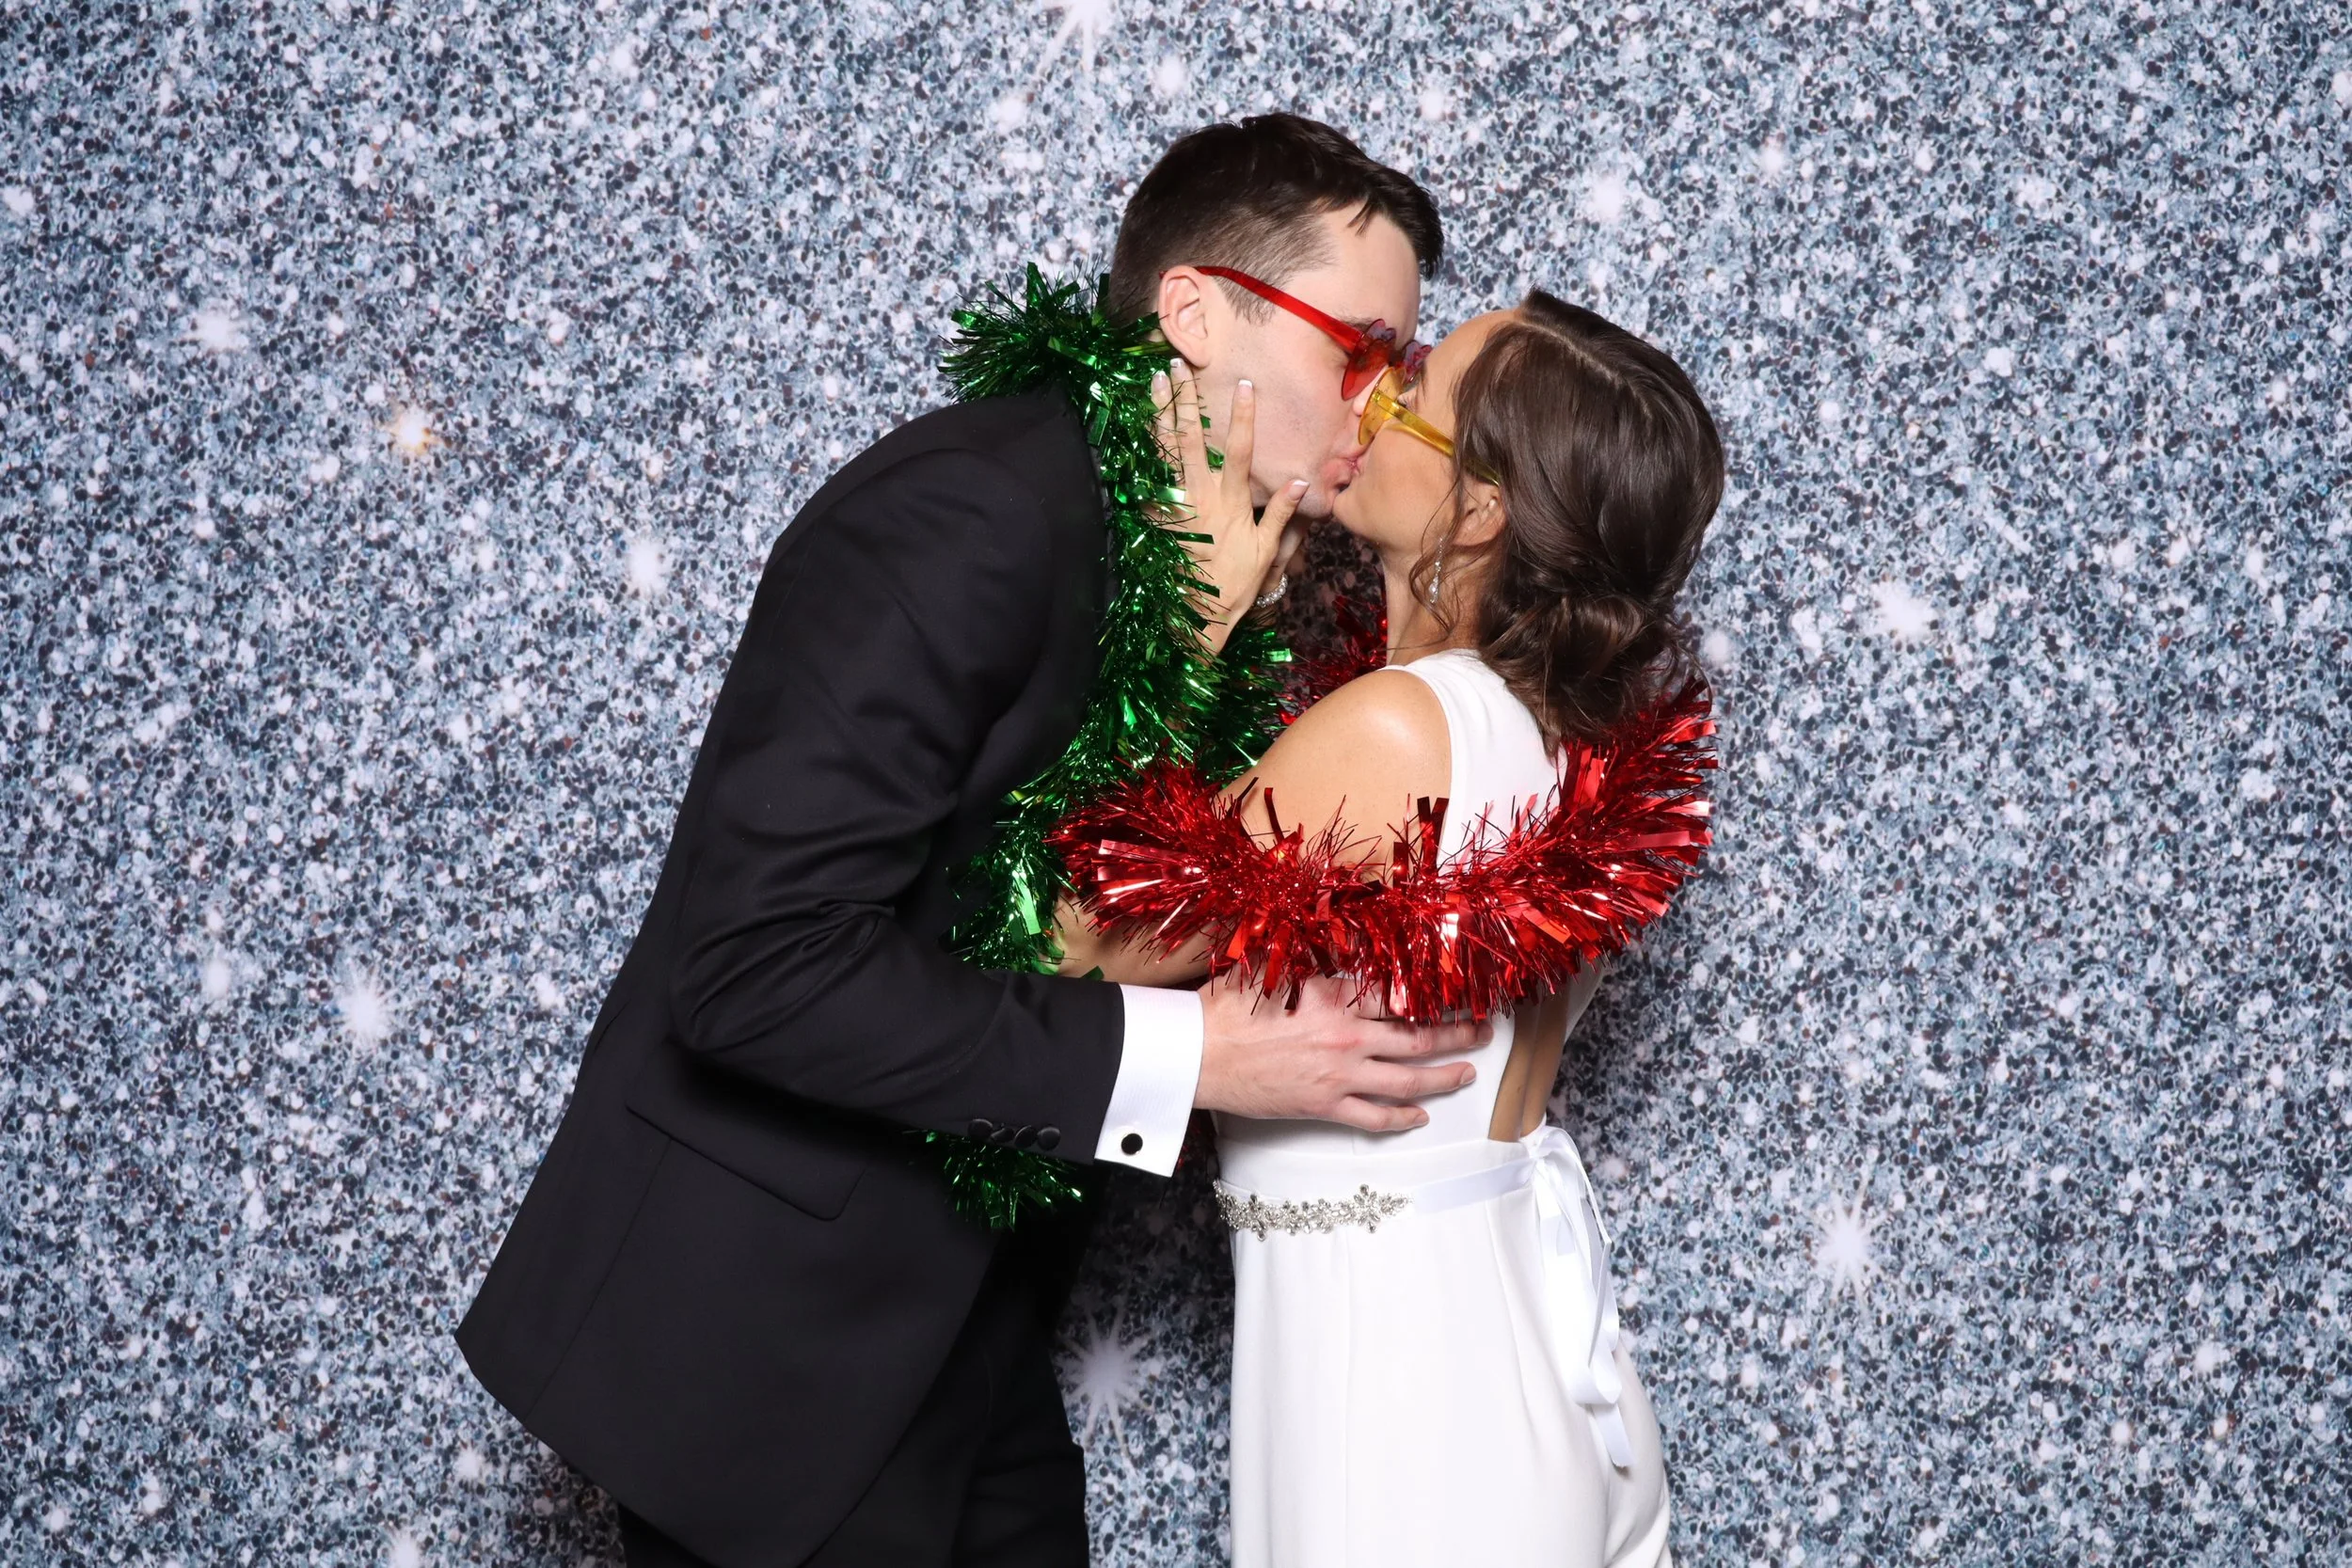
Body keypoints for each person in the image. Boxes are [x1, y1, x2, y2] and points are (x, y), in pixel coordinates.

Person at [456, 115, 1486, 1568]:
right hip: (770, 1348)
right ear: (1197, 314)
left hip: (966, 1314)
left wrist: (1201, 646)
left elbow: (1063, 903)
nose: (1378, 411)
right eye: (1361, 354)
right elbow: (757, 968)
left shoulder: (1218, 566)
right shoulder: (972, 514)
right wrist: (1202, 1055)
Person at [1060, 294, 1725, 1565]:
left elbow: (1081, 943)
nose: (1372, 389)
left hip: (1408, 1415)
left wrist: (1191, 623)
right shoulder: (1562, 734)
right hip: (1517, 1372)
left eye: (1413, 377)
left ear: (1479, 511)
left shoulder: (1397, 732)